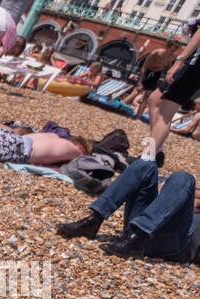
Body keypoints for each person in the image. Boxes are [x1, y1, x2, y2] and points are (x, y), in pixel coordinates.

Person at [55, 158, 198, 262]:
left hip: (175, 243)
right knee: (146, 165)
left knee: (184, 178)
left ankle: (139, 238)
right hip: (138, 231)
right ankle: (94, 220)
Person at [146, 21, 200, 160]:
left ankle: (147, 158)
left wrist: (179, 60)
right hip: (194, 62)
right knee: (154, 100)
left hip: (194, 62)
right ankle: (155, 152)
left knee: (165, 112)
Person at [129, 42, 175, 118]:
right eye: (172, 49)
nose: (174, 51)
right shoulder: (156, 53)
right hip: (147, 72)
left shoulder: (171, 57)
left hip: (156, 74)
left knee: (147, 96)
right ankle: (119, 106)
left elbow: (168, 68)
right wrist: (140, 82)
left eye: (176, 49)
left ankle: (138, 116)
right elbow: (144, 67)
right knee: (137, 91)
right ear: (167, 47)